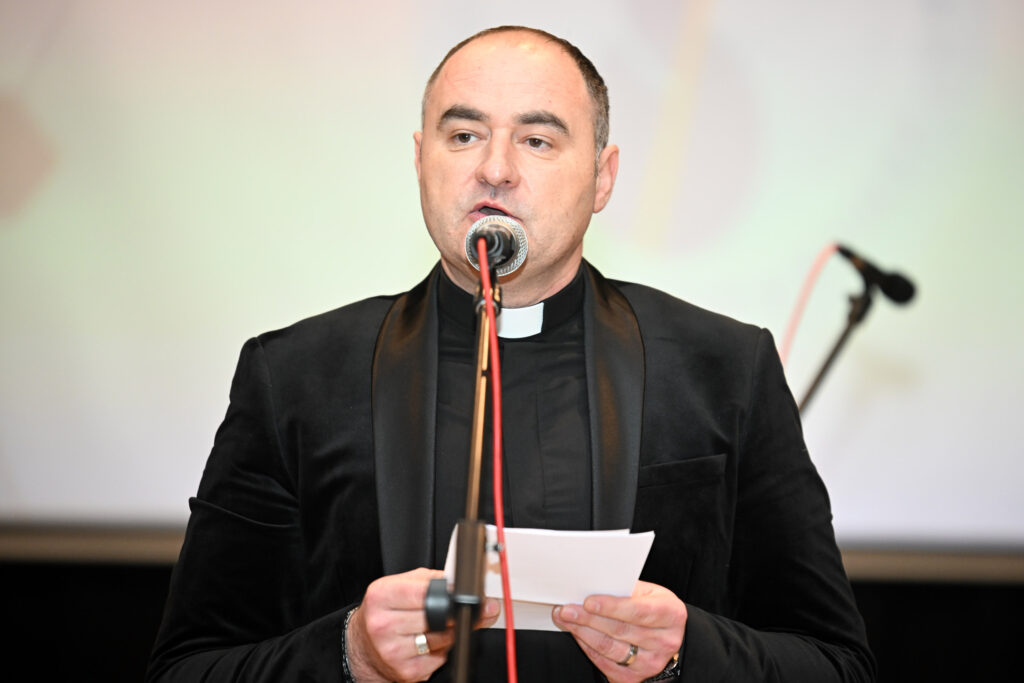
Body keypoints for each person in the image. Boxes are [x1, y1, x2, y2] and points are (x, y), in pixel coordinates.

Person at [147, 26, 875, 683]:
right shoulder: (296, 377)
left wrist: (689, 652)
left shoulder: (724, 368)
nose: (494, 168)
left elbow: (838, 663)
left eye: (537, 140)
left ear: (603, 177)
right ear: (420, 159)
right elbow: (187, 665)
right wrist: (349, 656)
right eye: (464, 135)